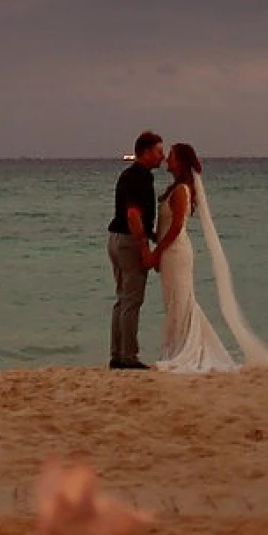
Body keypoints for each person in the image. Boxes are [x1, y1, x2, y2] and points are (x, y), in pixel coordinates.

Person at [149, 143, 237, 372]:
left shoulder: (181, 191)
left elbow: (177, 226)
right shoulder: (175, 188)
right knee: (173, 300)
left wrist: (157, 252)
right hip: (170, 252)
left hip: (176, 252)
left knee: (181, 299)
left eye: (171, 156)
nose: (167, 159)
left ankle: (185, 348)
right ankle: (177, 345)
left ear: (180, 162)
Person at [106, 130, 163, 370]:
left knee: (122, 299)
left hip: (116, 238)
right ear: (147, 152)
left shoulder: (128, 175)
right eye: (159, 151)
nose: (163, 156)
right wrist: (144, 248)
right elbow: (133, 214)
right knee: (132, 300)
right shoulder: (140, 177)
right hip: (129, 240)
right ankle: (128, 356)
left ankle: (118, 353)